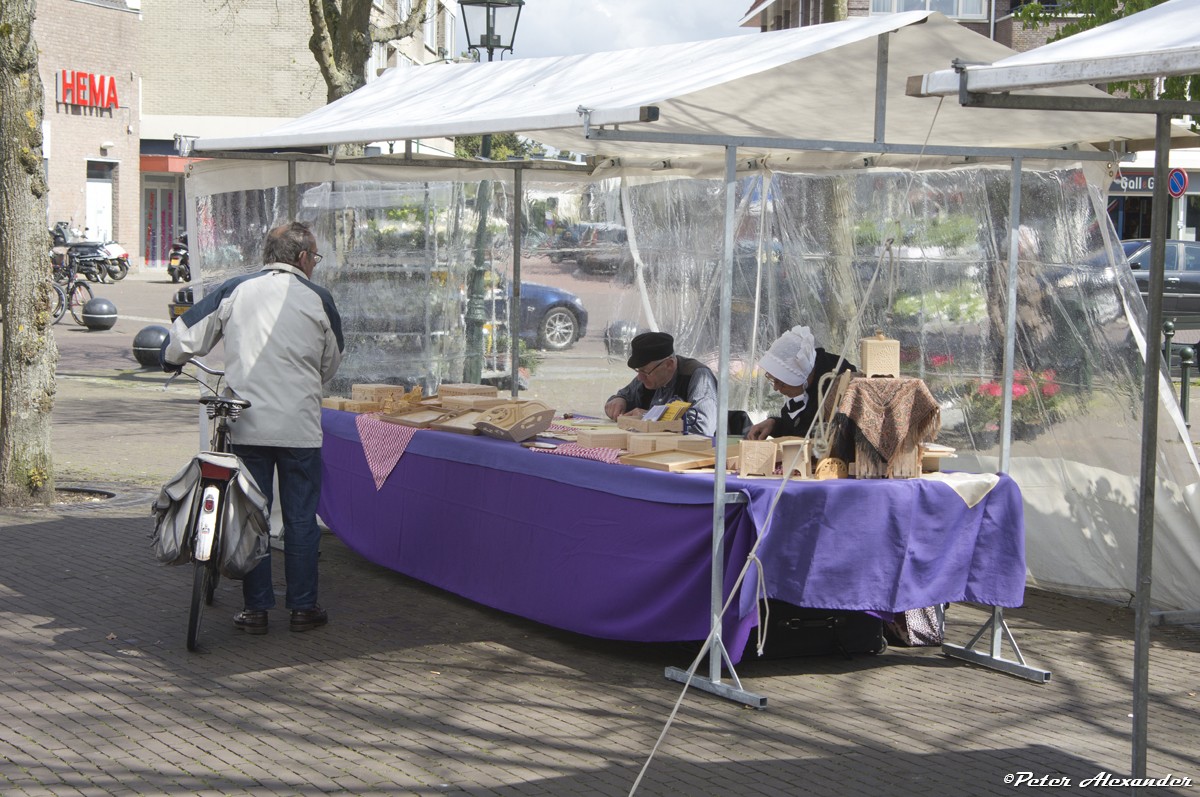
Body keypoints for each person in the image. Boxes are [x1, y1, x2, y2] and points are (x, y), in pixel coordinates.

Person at [162, 221, 344, 635]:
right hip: (300, 427)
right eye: (314, 258)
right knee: (301, 519)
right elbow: (331, 361)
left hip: (247, 424)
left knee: (251, 516)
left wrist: (169, 358)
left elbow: (185, 336)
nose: (314, 265)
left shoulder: (236, 289)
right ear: (303, 258)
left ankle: (256, 610)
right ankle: (303, 608)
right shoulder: (318, 298)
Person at [745, 325, 856, 441]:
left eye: (781, 382)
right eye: (773, 380)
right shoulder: (804, 386)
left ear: (799, 376)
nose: (776, 388)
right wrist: (773, 424)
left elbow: (811, 434)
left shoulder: (834, 386)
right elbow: (794, 426)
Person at [603, 331, 718, 436]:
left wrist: (650, 418)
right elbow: (624, 396)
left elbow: (703, 427)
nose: (640, 377)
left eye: (645, 371)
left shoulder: (698, 376)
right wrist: (619, 400)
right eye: (638, 371)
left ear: (669, 364)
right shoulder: (647, 378)